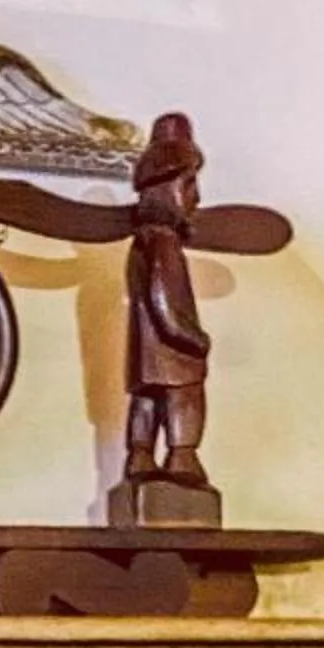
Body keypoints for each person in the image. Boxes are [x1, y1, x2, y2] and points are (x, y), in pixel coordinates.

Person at [120, 112, 213, 502]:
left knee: (146, 400)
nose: (197, 197)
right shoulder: (163, 244)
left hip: (145, 352)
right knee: (184, 395)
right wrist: (192, 336)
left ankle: (140, 455)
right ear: (163, 187)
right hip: (173, 352)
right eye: (189, 184)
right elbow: (164, 296)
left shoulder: (143, 241)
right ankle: (182, 456)